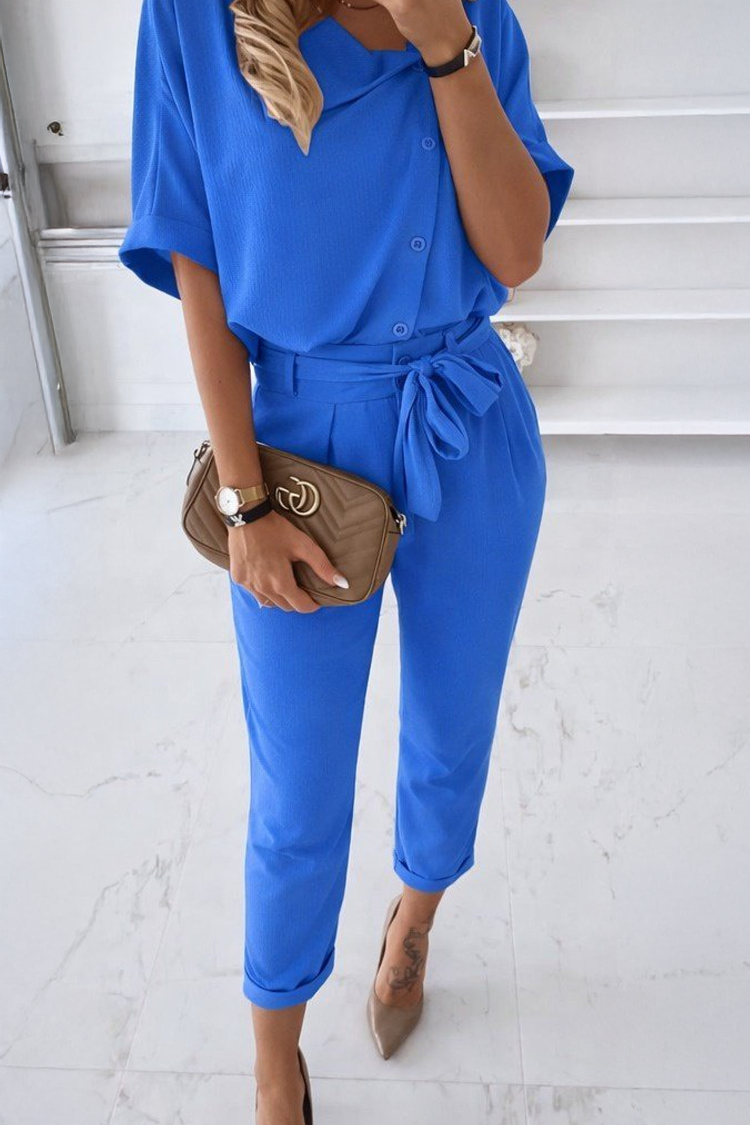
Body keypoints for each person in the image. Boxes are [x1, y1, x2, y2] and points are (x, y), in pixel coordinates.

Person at [118, 0, 574, 1120]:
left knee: (453, 726)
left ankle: (412, 924)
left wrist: (447, 48)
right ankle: (276, 1047)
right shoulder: (190, 20)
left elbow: (516, 252)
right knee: (298, 785)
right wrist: (243, 501)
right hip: (301, 449)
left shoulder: (468, 14)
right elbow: (197, 267)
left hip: (470, 422)